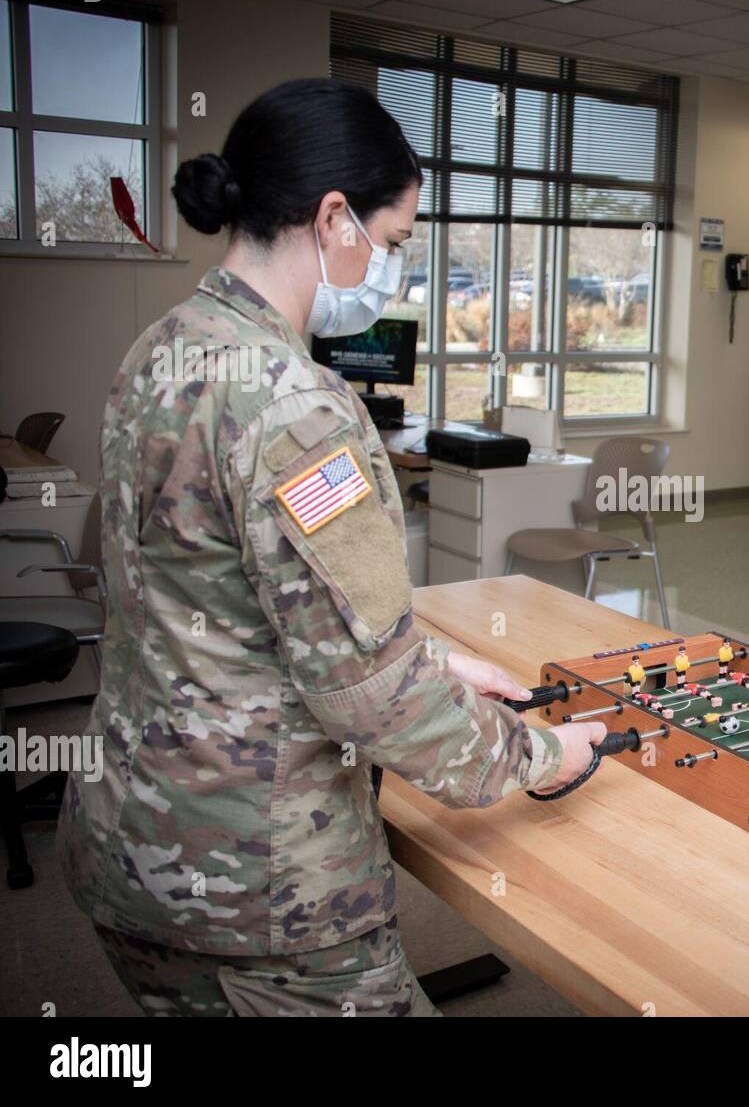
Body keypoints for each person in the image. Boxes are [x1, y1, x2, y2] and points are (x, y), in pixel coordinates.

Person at [56, 79, 604, 1017]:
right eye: (391, 244)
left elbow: (230, 607)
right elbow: (375, 702)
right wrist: (543, 757)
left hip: (129, 840)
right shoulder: (299, 407)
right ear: (333, 216)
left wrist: (431, 658)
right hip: (262, 893)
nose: (390, 271)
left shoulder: (164, 346)